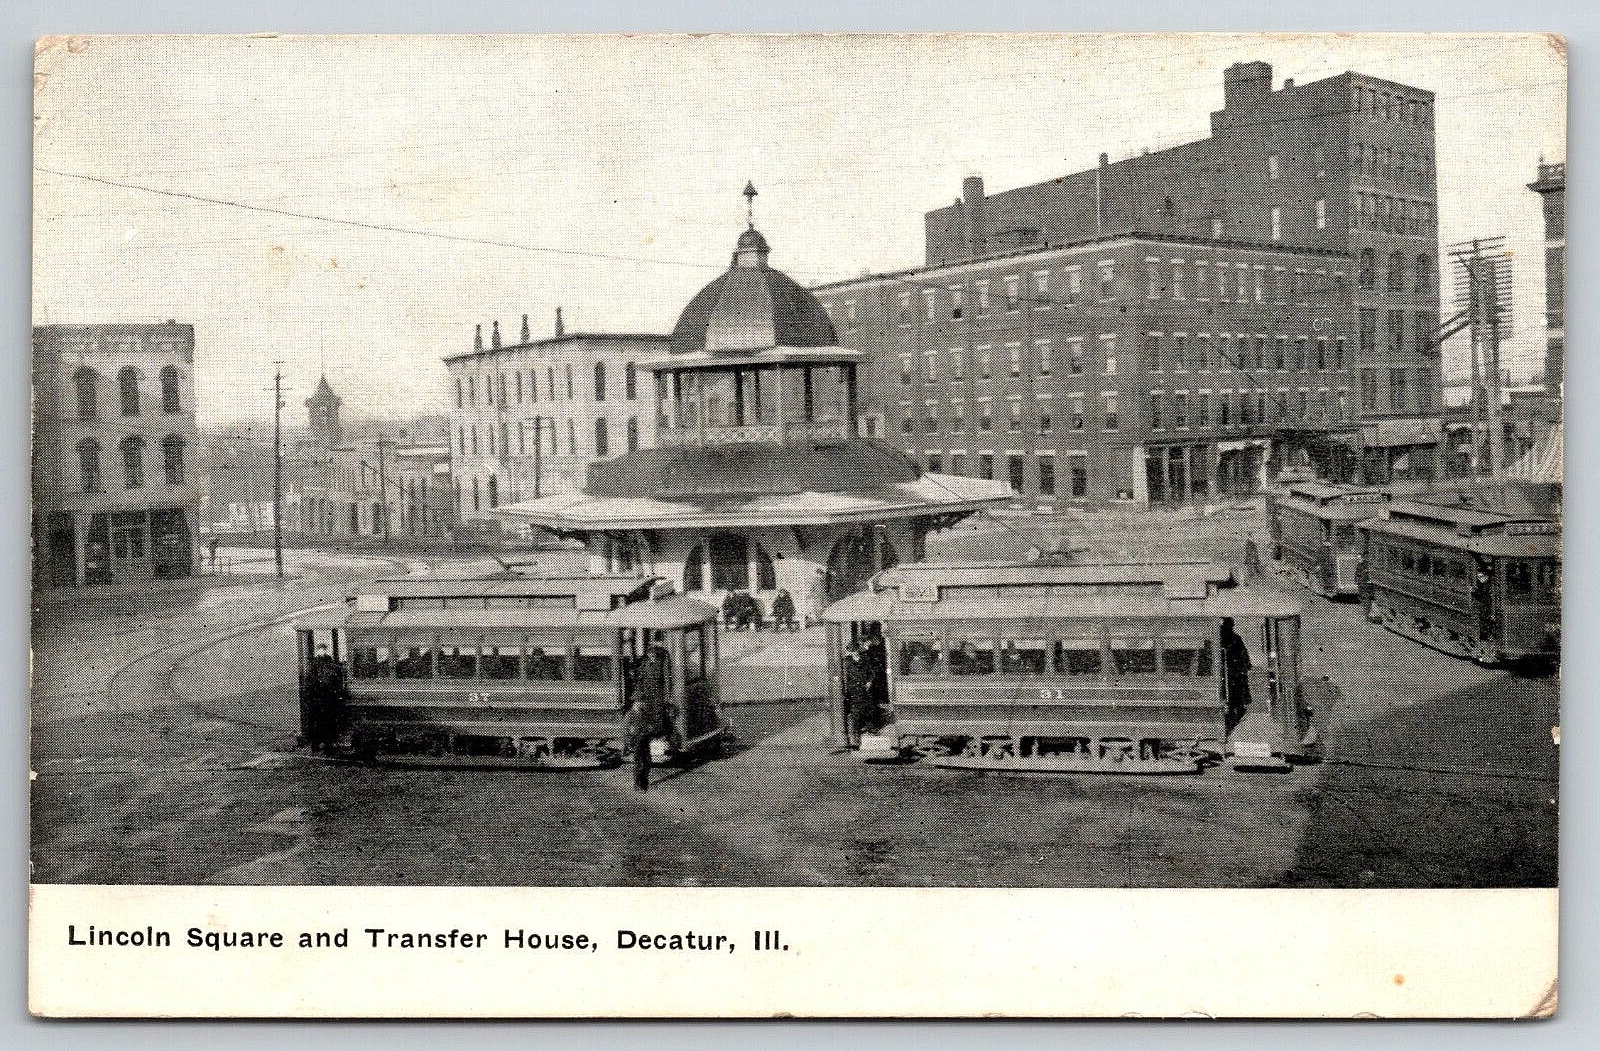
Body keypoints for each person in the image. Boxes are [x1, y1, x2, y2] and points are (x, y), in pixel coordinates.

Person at [625, 645, 674, 791]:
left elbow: (666, 684)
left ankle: (641, 783)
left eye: (654, 655)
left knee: (644, 756)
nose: (651, 656)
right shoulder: (644, 666)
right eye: (650, 654)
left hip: (653, 708)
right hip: (645, 721)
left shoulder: (659, 666)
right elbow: (639, 684)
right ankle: (639, 784)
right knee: (641, 756)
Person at [303, 643, 349, 754]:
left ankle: (322, 745)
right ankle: (320, 745)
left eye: (323, 649)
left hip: (323, 700)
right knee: (323, 723)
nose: (322, 651)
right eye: (321, 650)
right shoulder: (321, 665)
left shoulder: (317, 665)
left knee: (323, 723)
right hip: (323, 700)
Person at [1219, 618, 1252, 734]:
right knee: (1235, 693)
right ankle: (1235, 712)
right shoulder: (1235, 638)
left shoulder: (1219, 637)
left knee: (1233, 693)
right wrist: (1246, 666)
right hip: (1232, 671)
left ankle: (1233, 712)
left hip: (1226, 672)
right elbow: (1243, 654)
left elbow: (1243, 654)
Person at [840, 642, 870, 747]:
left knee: (863, 710)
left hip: (863, 690)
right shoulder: (847, 662)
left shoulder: (864, 660)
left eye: (853, 651)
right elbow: (844, 677)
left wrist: (869, 682)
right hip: (852, 692)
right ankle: (856, 736)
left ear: (857, 651)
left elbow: (871, 672)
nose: (852, 653)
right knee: (855, 714)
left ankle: (863, 730)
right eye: (851, 652)